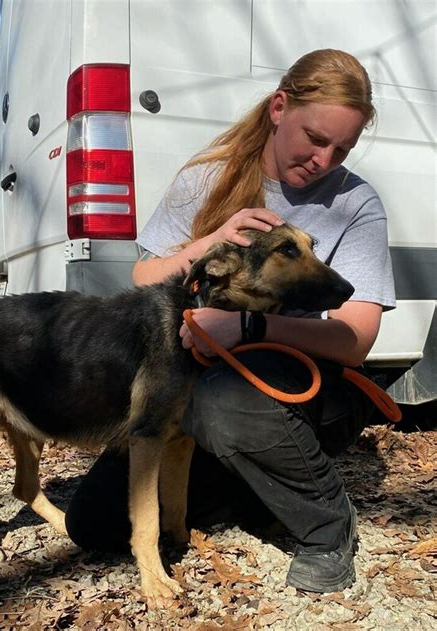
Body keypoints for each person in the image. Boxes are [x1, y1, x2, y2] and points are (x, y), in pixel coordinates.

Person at [65, 49, 396, 593]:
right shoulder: (207, 179)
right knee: (95, 524)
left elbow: (356, 339)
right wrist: (209, 242)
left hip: (299, 386)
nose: (325, 160)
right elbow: (145, 277)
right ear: (279, 107)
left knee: (221, 401)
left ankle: (327, 528)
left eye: (343, 148)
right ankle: (246, 484)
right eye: (315, 138)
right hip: (194, 375)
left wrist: (248, 329)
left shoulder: (355, 203)